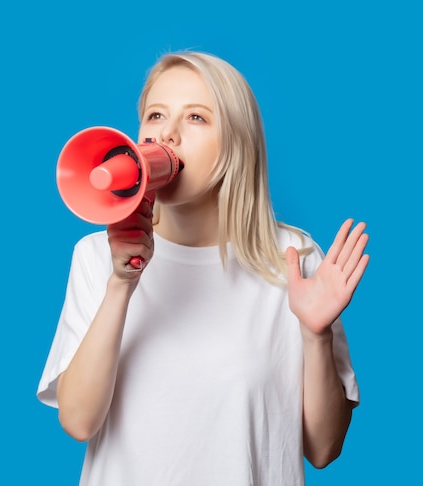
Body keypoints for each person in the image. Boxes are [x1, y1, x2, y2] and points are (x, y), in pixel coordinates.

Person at [37, 50, 369, 486]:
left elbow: (323, 449)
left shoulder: (293, 257)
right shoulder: (97, 256)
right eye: (155, 115)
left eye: (196, 118)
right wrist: (122, 282)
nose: (166, 135)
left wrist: (315, 333)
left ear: (235, 142)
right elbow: (79, 422)